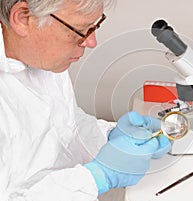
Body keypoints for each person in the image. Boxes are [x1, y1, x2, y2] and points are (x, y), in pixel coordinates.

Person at [0, 0, 171, 201]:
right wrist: (99, 176)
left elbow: (64, 126)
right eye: (80, 30)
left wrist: (110, 137)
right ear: (23, 18)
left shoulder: (42, 58)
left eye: (94, 26)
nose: (91, 42)